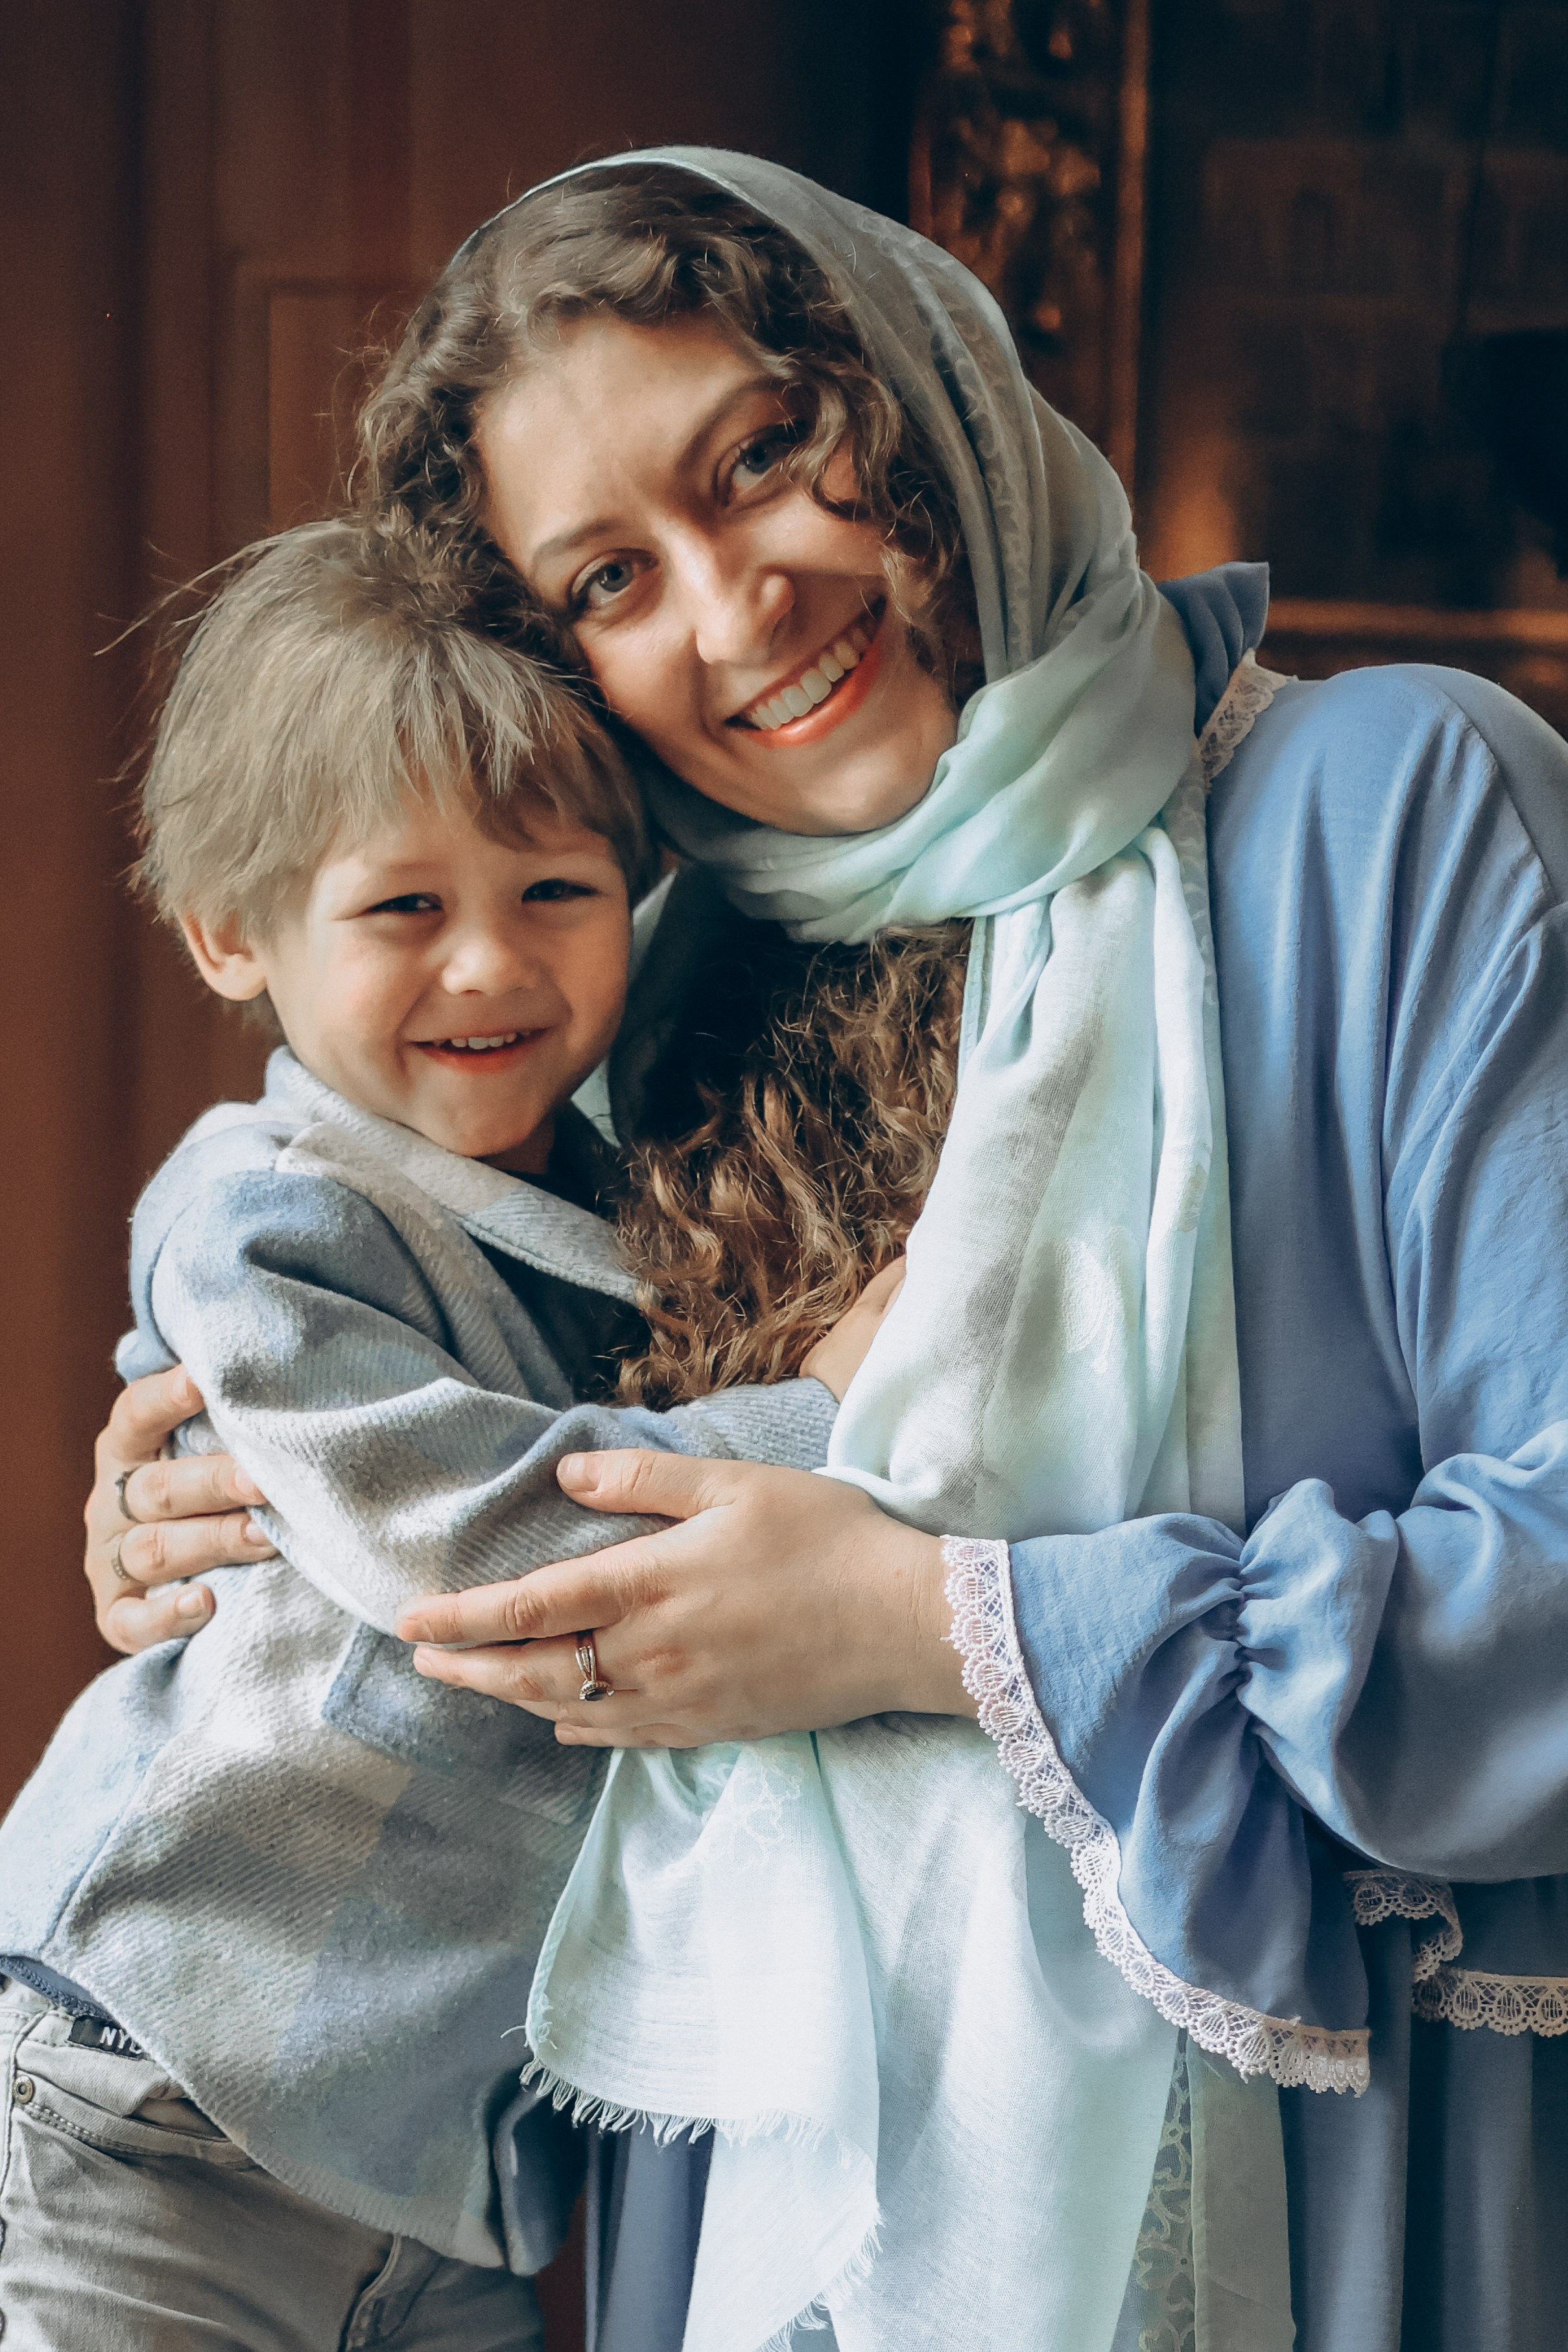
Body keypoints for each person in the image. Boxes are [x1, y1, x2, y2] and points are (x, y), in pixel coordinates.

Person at [86, 152, 1568, 2352]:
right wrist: (205, 1498)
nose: (736, 603)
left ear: (918, 395)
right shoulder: (651, 1004)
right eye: (608, 578)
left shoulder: (1388, 807)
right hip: (763, 2227)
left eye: (764, 456)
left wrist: (935, 1624)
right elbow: (474, 1475)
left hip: (1314, 2187)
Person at [0, 514, 892, 2350]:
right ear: (235, 933)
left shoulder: (627, 1216)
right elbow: (479, 1559)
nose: (489, 966)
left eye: (554, 893)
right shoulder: (260, 1219)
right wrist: (834, 1415)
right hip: (165, 2102)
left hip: (448, 2183)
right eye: (404, 908)